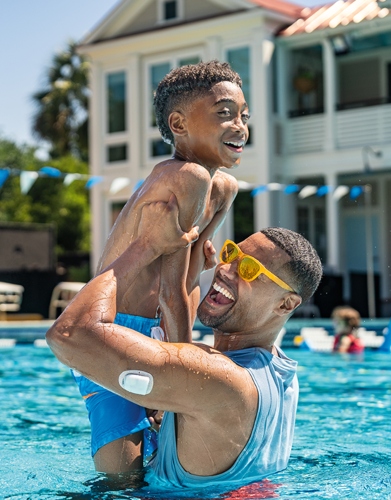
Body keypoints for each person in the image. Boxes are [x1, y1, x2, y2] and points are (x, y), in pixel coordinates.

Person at [46, 198, 323, 492]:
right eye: (232, 253)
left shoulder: (221, 378)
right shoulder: (281, 375)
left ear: (286, 304)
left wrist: (144, 246)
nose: (227, 270)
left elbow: (70, 334)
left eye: (250, 270)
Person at [73, 60, 249, 473]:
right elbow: (170, 292)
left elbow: (183, 283)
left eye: (243, 114)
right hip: (111, 333)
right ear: (179, 123)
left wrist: (179, 348)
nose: (240, 125)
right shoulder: (184, 177)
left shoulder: (221, 186)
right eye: (224, 114)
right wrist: (182, 373)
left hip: (156, 331)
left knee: (157, 468)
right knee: (123, 477)